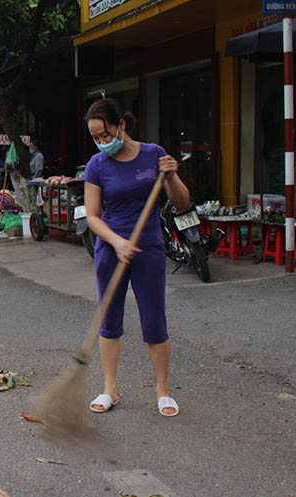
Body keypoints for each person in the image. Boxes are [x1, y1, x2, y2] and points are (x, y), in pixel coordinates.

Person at [83, 98, 189, 417]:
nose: (102, 142)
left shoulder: (153, 154)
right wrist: (116, 242)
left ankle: (163, 392)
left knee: (154, 320)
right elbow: (92, 217)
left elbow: (182, 202)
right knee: (110, 319)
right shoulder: (96, 165)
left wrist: (170, 176)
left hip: (148, 247)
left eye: (105, 134)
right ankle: (109, 389)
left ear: (121, 126)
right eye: (96, 138)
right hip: (111, 248)